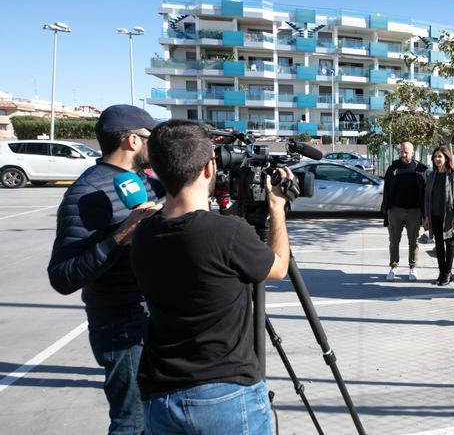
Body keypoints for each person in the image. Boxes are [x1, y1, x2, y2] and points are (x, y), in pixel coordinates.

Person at [130, 119, 291, 434]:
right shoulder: (227, 233)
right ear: (208, 169)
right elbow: (279, 267)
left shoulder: (143, 231)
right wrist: (278, 209)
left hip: (160, 394)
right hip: (225, 394)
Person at [47, 104, 164, 435]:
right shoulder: (85, 193)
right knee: (132, 423)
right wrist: (120, 235)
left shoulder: (143, 181)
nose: (154, 144)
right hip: (122, 328)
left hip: (153, 317)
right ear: (131, 140)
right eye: (150, 138)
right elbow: (62, 276)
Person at [381, 141, 428, 281]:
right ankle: (393, 267)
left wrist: (424, 213)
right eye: (401, 151)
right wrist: (387, 209)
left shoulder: (421, 169)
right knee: (394, 241)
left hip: (414, 211)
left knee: (413, 241)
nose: (403, 154)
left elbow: (425, 192)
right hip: (395, 211)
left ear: (412, 153)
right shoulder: (392, 169)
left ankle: (412, 268)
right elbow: (386, 189)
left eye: (406, 152)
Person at [423, 146, 454, 286]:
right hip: (434, 216)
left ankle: (448, 273)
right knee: (438, 244)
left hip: (448, 216)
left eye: (440, 156)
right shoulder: (431, 175)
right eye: (435, 156)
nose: (437, 159)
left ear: (446, 158)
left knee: (449, 243)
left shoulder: (453, 175)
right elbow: (427, 197)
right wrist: (426, 216)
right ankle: (441, 272)